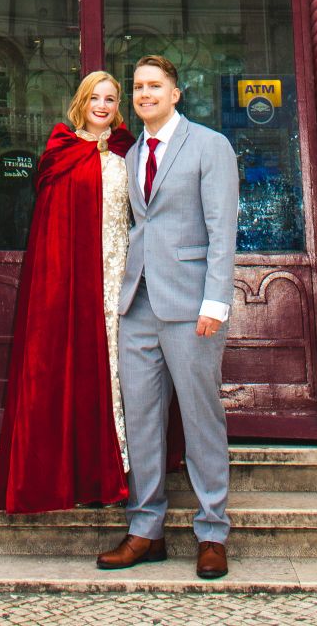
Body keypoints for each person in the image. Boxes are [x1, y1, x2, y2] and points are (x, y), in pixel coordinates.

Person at [97, 54, 239, 581]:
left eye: (154, 86)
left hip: (191, 306)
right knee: (141, 420)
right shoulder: (133, 153)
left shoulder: (209, 146)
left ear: (176, 93)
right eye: (137, 87)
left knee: (202, 417)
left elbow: (222, 228)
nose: (144, 94)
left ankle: (212, 532)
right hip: (137, 307)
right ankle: (146, 530)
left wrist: (215, 303)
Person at [0, 70, 135, 514]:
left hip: (123, 281)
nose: (103, 105)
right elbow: (50, 229)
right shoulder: (60, 151)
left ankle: (123, 470)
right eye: (95, 97)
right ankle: (79, 474)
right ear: (80, 101)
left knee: (124, 371)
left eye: (111, 98)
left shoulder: (130, 152)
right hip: (74, 279)